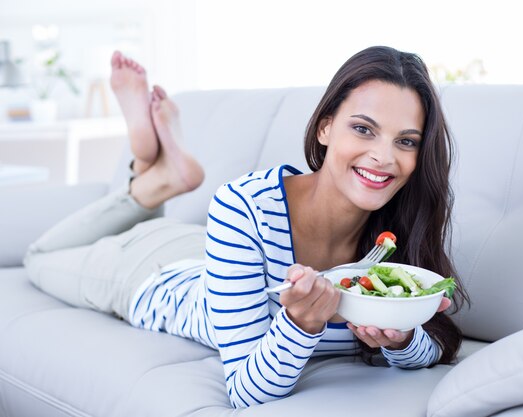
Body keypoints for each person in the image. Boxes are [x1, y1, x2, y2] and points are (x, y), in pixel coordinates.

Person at [24, 46, 468, 409]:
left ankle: (156, 173)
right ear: (326, 127)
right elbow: (245, 391)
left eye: (405, 141)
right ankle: (150, 178)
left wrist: (401, 337)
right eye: (363, 129)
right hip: (148, 272)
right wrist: (300, 323)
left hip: (214, 253)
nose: (385, 158)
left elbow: (430, 348)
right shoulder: (244, 205)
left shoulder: (400, 223)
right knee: (38, 257)